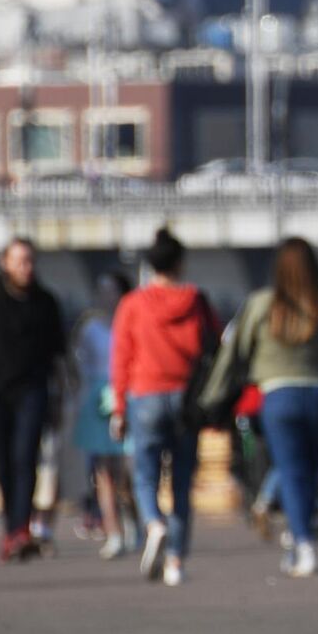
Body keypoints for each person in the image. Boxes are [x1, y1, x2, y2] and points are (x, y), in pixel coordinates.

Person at [201, 237, 318, 578]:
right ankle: (307, 519)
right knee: (314, 464)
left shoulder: (261, 305)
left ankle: (302, 542)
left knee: (290, 470)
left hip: (279, 396)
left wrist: (212, 394)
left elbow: (235, 354)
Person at [111, 228, 219, 586]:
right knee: (183, 482)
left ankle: (153, 523)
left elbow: (121, 358)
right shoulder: (197, 301)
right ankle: (175, 562)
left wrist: (119, 409)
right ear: (181, 262)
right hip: (187, 398)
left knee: (145, 475)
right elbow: (216, 347)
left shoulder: (132, 305)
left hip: (145, 395)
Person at [0, 238, 68, 562]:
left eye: (31, 261)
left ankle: (21, 529)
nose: (26, 267)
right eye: (20, 261)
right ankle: (11, 528)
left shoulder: (45, 302)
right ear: (5, 263)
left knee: (26, 458)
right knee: (4, 463)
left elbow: (59, 356)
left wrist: (62, 396)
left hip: (32, 390)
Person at [74, 273, 135, 558]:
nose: (106, 297)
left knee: (129, 469)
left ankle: (135, 521)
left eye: (111, 291)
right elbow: (81, 365)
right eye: (101, 291)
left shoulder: (132, 323)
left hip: (128, 394)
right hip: (98, 399)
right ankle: (113, 531)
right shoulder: (90, 329)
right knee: (103, 471)